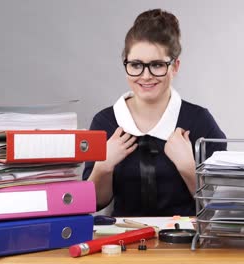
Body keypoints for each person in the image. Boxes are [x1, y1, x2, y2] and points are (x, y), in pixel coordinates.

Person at [83, 8, 226, 216]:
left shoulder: (198, 121)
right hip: (123, 242)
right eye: (136, 65)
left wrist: (188, 167)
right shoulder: (106, 121)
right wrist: (103, 167)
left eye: (157, 65)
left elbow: (221, 205)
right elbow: (94, 203)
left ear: (174, 66)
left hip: (186, 242)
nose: (146, 76)